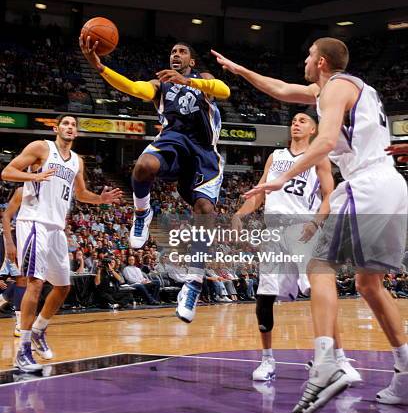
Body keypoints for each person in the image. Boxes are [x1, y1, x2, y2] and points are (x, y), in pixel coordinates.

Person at [212, 38, 408, 413]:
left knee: (319, 266)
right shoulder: (340, 87)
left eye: (306, 55)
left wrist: (278, 179)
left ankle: (326, 363)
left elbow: (328, 141)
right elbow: (283, 90)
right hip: (390, 185)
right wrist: (240, 71)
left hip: (365, 183)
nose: (303, 60)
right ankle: (405, 373)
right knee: (369, 285)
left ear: (320, 61)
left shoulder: (336, 87)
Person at [80, 37, 230, 322]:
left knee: (206, 211)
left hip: (203, 153)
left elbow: (224, 90)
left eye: (182, 51)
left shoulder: (204, 80)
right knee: (143, 165)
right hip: (173, 140)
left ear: (192, 61)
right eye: (172, 51)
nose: (176, 54)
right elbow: (134, 88)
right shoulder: (161, 84)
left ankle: (194, 283)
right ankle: (141, 212)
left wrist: (189, 83)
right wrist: (99, 66)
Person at [232, 113, 360, 384]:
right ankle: (267, 360)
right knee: (265, 295)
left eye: (303, 120)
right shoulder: (275, 156)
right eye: (294, 120)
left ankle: (338, 358)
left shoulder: (318, 157)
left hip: (303, 229)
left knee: (319, 291)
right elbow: (260, 194)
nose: (296, 123)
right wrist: (239, 215)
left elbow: (329, 197)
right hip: (274, 232)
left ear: (313, 129)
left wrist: (315, 223)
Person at [1, 114, 122, 373]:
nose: (70, 127)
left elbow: (80, 194)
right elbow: (7, 172)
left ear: (77, 133)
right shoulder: (41, 148)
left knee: (64, 286)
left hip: (56, 227)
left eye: (73, 125)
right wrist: (35, 177)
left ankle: (38, 330)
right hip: (34, 222)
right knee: (35, 283)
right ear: (57, 128)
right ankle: (22, 351)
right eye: (66, 124)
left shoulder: (77, 161)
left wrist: (100, 200)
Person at [1, 187, 26, 337]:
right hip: (19, 236)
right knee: (22, 279)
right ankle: (19, 323)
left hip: (36, 237)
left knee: (28, 280)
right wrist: (10, 242)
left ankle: (3, 297)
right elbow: (6, 216)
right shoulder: (22, 191)